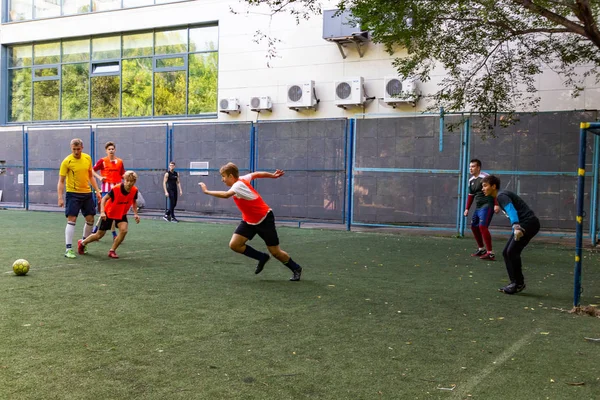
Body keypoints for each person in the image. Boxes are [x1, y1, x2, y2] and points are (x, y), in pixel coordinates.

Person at [198, 162, 303, 281]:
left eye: (224, 176)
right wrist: (272, 175)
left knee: (275, 252)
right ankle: (261, 257)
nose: (223, 180)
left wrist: (206, 191)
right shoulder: (242, 178)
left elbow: (226, 195)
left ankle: (296, 268)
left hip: (264, 219)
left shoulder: (238, 185)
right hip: (249, 221)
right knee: (235, 245)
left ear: (231, 176)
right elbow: (257, 174)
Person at [482, 175, 540, 294]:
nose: (483, 189)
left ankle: (518, 284)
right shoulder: (499, 197)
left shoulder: (501, 195)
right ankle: (514, 283)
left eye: (485, 186)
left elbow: (511, 210)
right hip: (527, 224)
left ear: (493, 186)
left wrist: (516, 227)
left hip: (529, 223)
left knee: (512, 252)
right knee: (506, 252)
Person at [78, 171, 140, 259]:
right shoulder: (116, 188)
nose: (129, 183)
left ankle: (112, 251)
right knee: (99, 235)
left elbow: (134, 201)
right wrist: (102, 212)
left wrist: (136, 214)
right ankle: (82, 243)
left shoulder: (134, 190)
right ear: (124, 180)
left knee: (124, 230)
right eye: (127, 181)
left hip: (121, 213)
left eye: (132, 181)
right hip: (109, 213)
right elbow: (104, 199)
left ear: (134, 182)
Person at [57, 138, 102, 258]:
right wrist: (60, 197)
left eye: (78, 149)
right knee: (72, 220)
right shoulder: (67, 161)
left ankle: (83, 243)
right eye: (74, 149)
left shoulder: (87, 158)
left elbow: (90, 176)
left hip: (86, 193)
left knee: (90, 219)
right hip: (73, 194)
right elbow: (61, 181)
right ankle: (68, 249)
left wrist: (97, 191)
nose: (76, 151)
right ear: (71, 148)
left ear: (82, 148)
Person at [464, 159, 499, 260]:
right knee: (474, 226)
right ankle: (481, 249)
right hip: (478, 207)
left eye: (473, 166)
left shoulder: (485, 177)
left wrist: (496, 204)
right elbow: (471, 196)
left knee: (482, 227)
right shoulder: (471, 181)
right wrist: (467, 209)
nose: (471, 168)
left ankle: (490, 253)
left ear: (478, 167)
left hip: (487, 205)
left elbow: (494, 189)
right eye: (470, 167)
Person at [92, 141, 125, 239]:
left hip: (117, 188)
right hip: (106, 188)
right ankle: (109, 232)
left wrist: (128, 179)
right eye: (109, 149)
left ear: (115, 150)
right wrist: (99, 177)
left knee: (114, 210)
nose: (111, 151)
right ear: (106, 151)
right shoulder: (102, 161)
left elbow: (122, 173)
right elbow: (92, 170)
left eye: (112, 149)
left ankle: (100, 229)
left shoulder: (119, 161)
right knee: (107, 210)